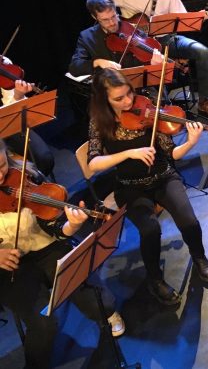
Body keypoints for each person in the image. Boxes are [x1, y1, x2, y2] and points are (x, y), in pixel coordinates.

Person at [87, 68, 208, 305]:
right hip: (129, 186)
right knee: (150, 230)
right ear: (104, 100)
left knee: (188, 220)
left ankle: (199, 257)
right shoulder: (100, 122)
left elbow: (172, 152)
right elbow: (93, 163)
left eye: (129, 93)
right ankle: (155, 280)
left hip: (163, 176)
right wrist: (129, 153)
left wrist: (191, 141)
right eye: (119, 98)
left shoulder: (148, 110)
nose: (128, 101)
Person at [0, 139, 125, 367]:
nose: (0, 177)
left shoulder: (25, 176)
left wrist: (72, 226)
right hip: (10, 266)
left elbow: (54, 226)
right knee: (43, 326)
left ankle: (105, 313)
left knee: (98, 301)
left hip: (45, 246)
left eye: (1, 166)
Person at [107, 0, 208, 118]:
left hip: (166, 39)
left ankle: (204, 101)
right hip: (138, 45)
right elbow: (97, 3)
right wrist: (117, 23)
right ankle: (163, 111)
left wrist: (197, 18)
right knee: (155, 66)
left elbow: (180, 19)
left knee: (201, 51)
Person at [68, 0, 156, 77]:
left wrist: (153, 60)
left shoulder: (128, 28)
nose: (112, 23)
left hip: (138, 82)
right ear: (94, 17)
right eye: (105, 20)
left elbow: (147, 54)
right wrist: (98, 62)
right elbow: (74, 67)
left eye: (114, 16)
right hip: (107, 88)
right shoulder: (87, 37)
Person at [1, 55, 55, 178]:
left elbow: (12, 110)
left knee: (44, 159)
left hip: (8, 124)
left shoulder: (4, 63)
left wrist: (18, 95)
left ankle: (35, 187)